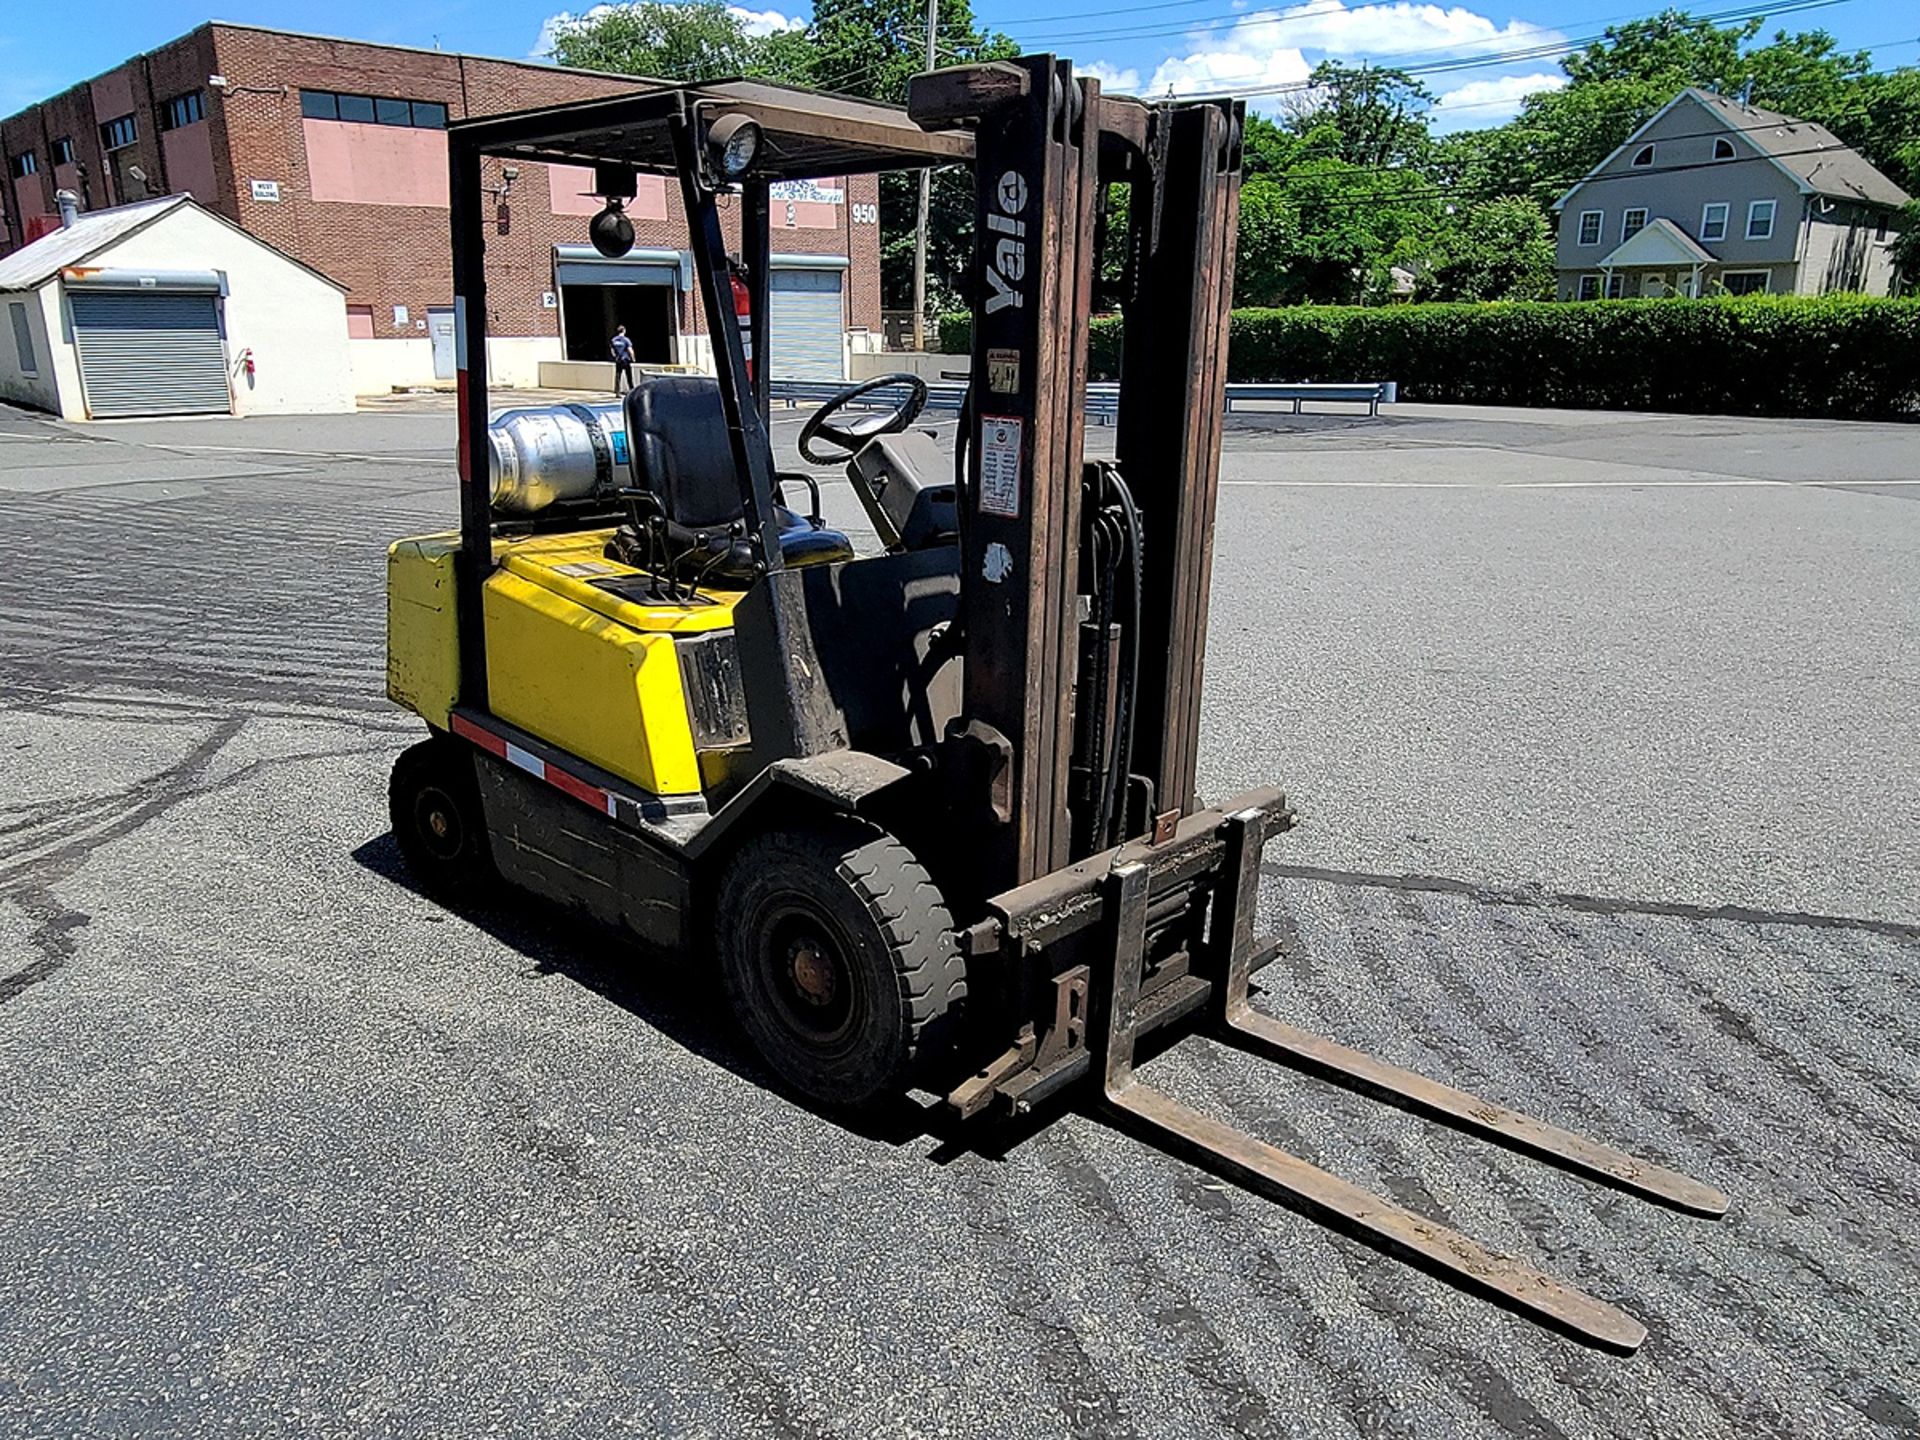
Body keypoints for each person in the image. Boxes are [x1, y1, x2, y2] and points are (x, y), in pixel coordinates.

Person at [610, 325, 635, 394]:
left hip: (618, 360)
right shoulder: (626, 340)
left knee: (618, 376)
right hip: (625, 359)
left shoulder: (614, 340)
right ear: (624, 331)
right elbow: (630, 350)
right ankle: (631, 390)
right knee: (629, 376)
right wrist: (633, 358)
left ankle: (617, 391)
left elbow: (612, 350)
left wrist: (615, 357)